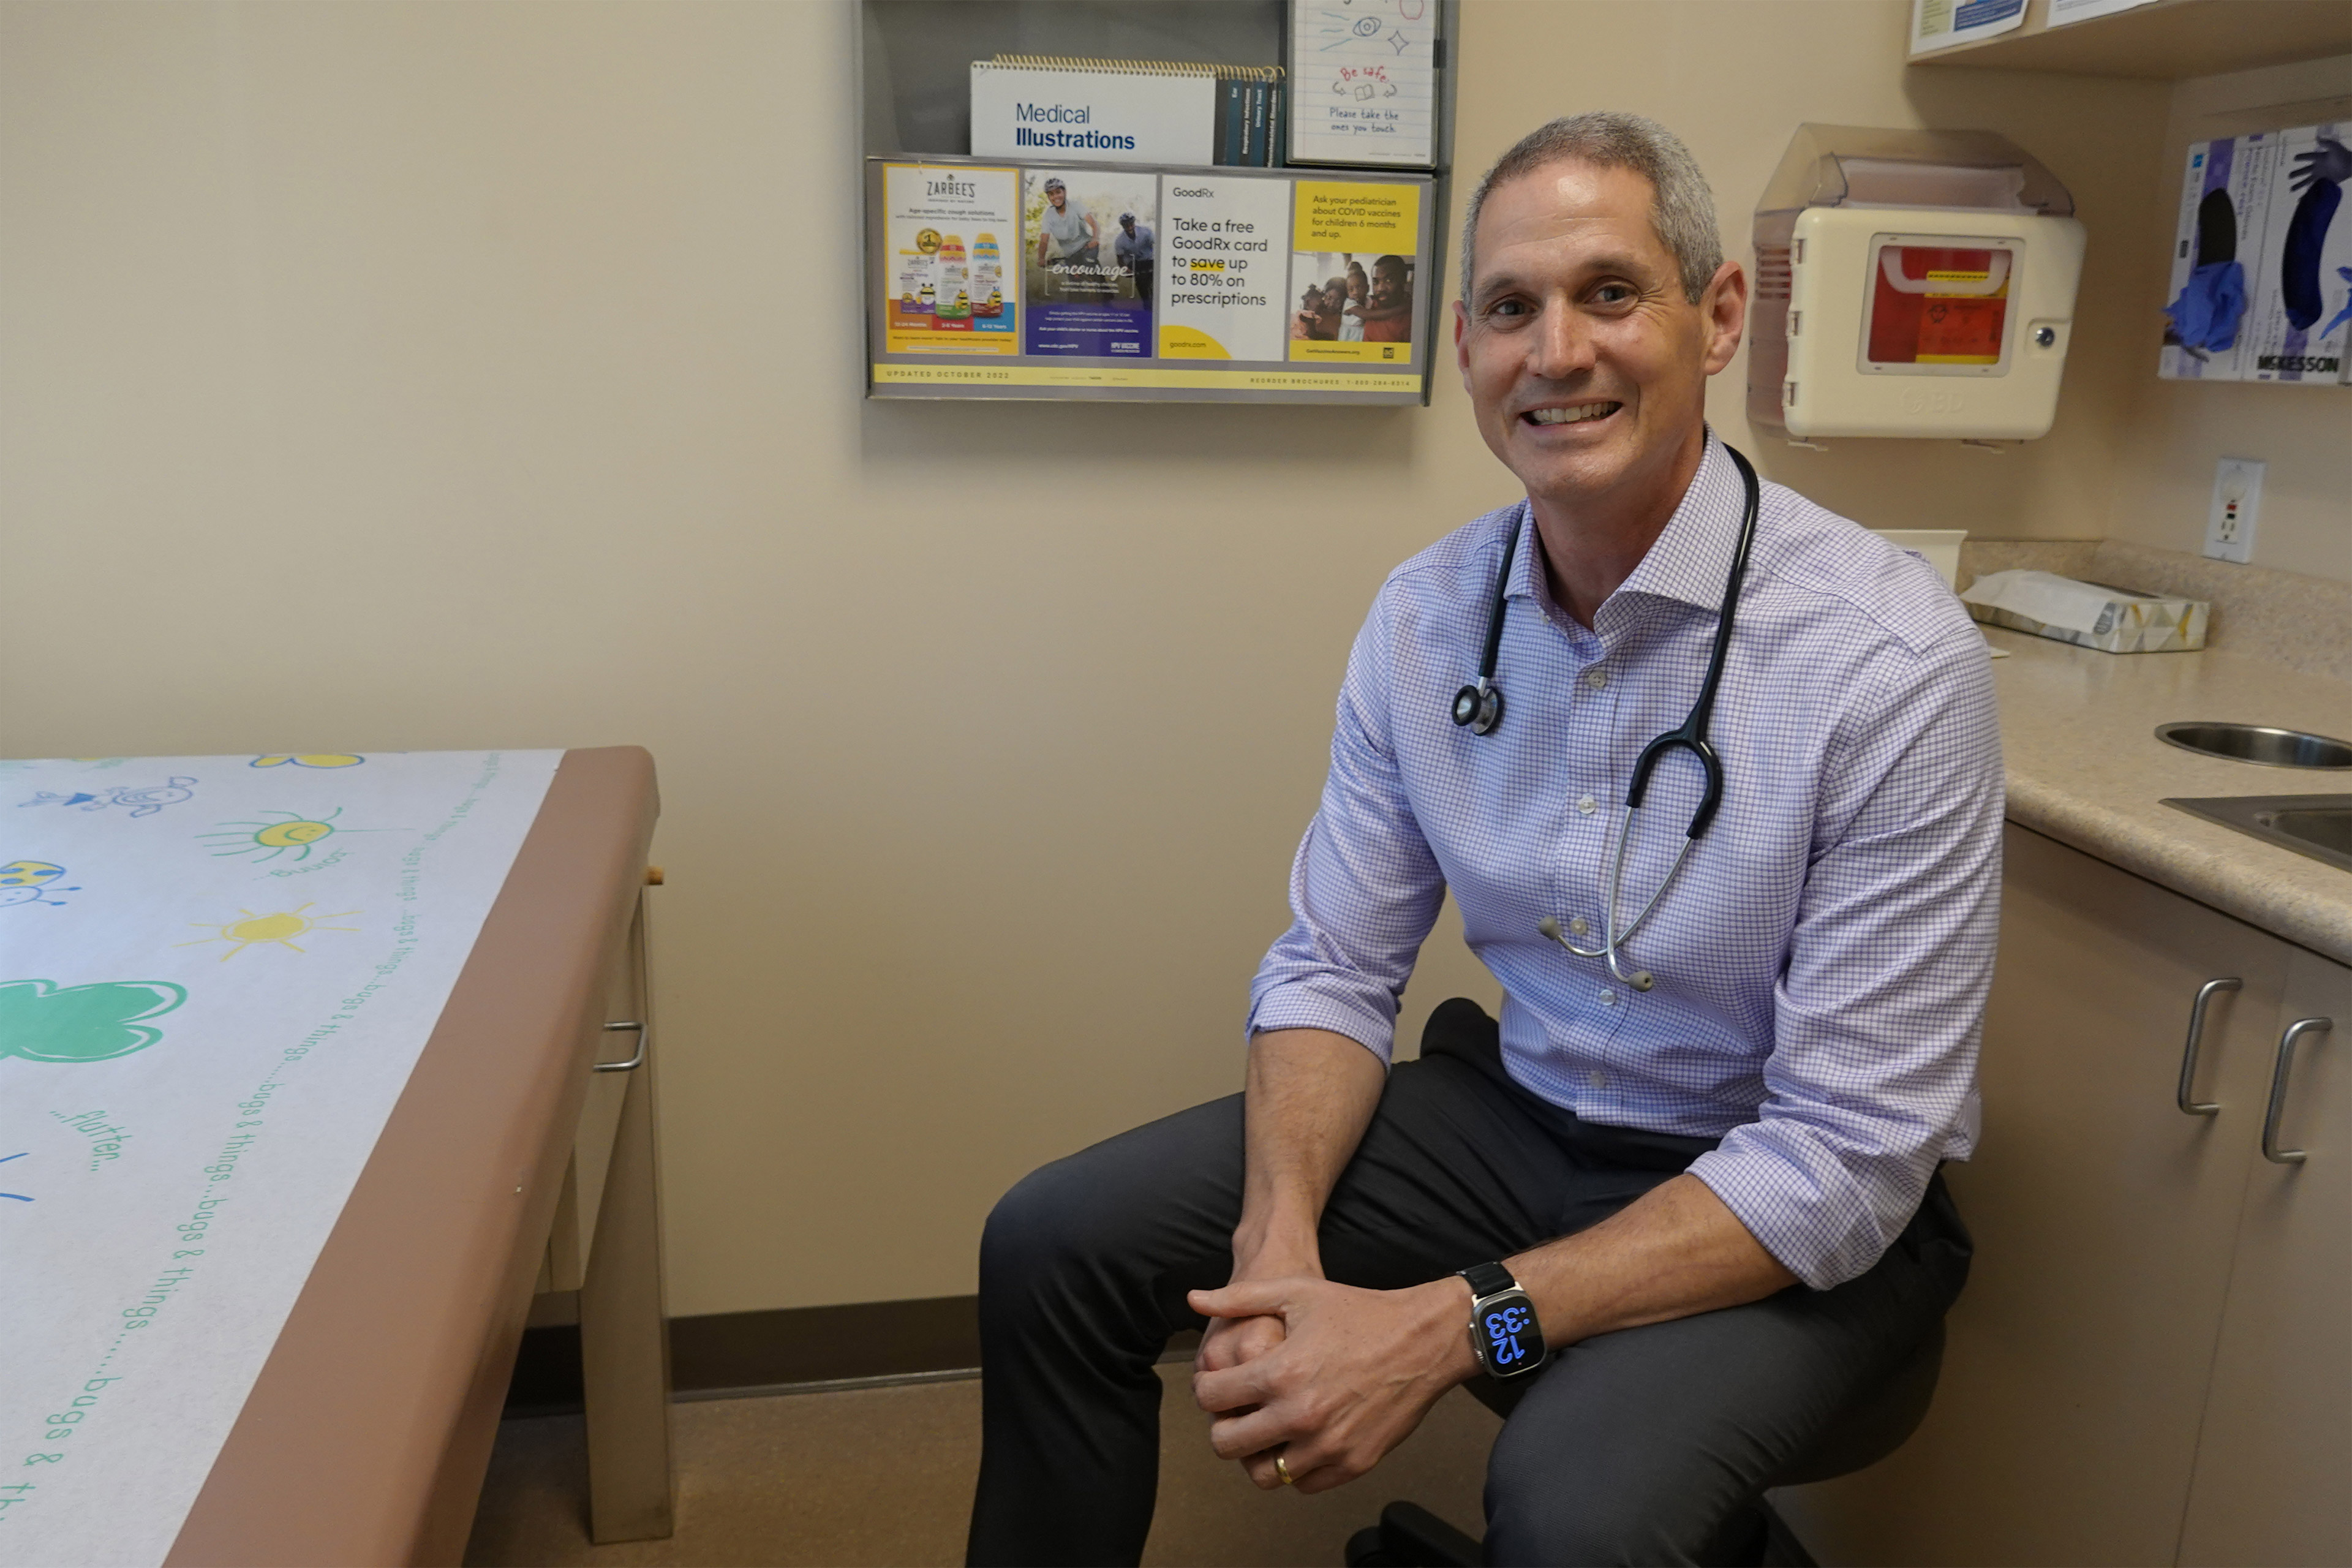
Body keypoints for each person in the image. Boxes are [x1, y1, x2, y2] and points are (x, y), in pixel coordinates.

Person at [969, 110, 1997, 1566]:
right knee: (1053, 1239)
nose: (1555, 350)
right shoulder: (1423, 617)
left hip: (1775, 1191)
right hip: (1518, 1116)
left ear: (1714, 316)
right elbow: (1333, 960)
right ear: (1461, 348)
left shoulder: (1884, 659)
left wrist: (1445, 1324)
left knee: (1579, 1509)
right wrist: (1276, 1241)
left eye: (1608, 292)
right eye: (1511, 308)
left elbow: (1842, 1153)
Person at [1033, 177, 1099, 301]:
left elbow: (1094, 224)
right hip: (1071, 254)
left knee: (1090, 266)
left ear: (1065, 192)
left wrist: (1095, 238)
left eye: (1058, 192)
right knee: (1074, 286)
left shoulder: (1076, 206)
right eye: (1051, 194)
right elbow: (1044, 240)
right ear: (1048, 197)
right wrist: (1041, 258)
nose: (1055, 197)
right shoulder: (1049, 215)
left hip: (1087, 247)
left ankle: (1102, 300)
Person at [1360, 253, 1414, 342]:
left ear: (1403, 280)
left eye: (1389, 280)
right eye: (1375, 282)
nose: (1380, 288)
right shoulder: (1369, 304)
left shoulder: (1412, 319)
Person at [1114, 212, 1155, 304]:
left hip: (1150, 260)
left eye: (1131, 224)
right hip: (1135, 264)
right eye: (1126, 225)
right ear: (1122, 226)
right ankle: (1147, 304)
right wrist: (1126, 269)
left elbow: (1158, 246)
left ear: (1134, 223)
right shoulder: (1120, 240)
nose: (1129, 227)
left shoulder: (1146, 232)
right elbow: (1120, 258)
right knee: (1142, 288)